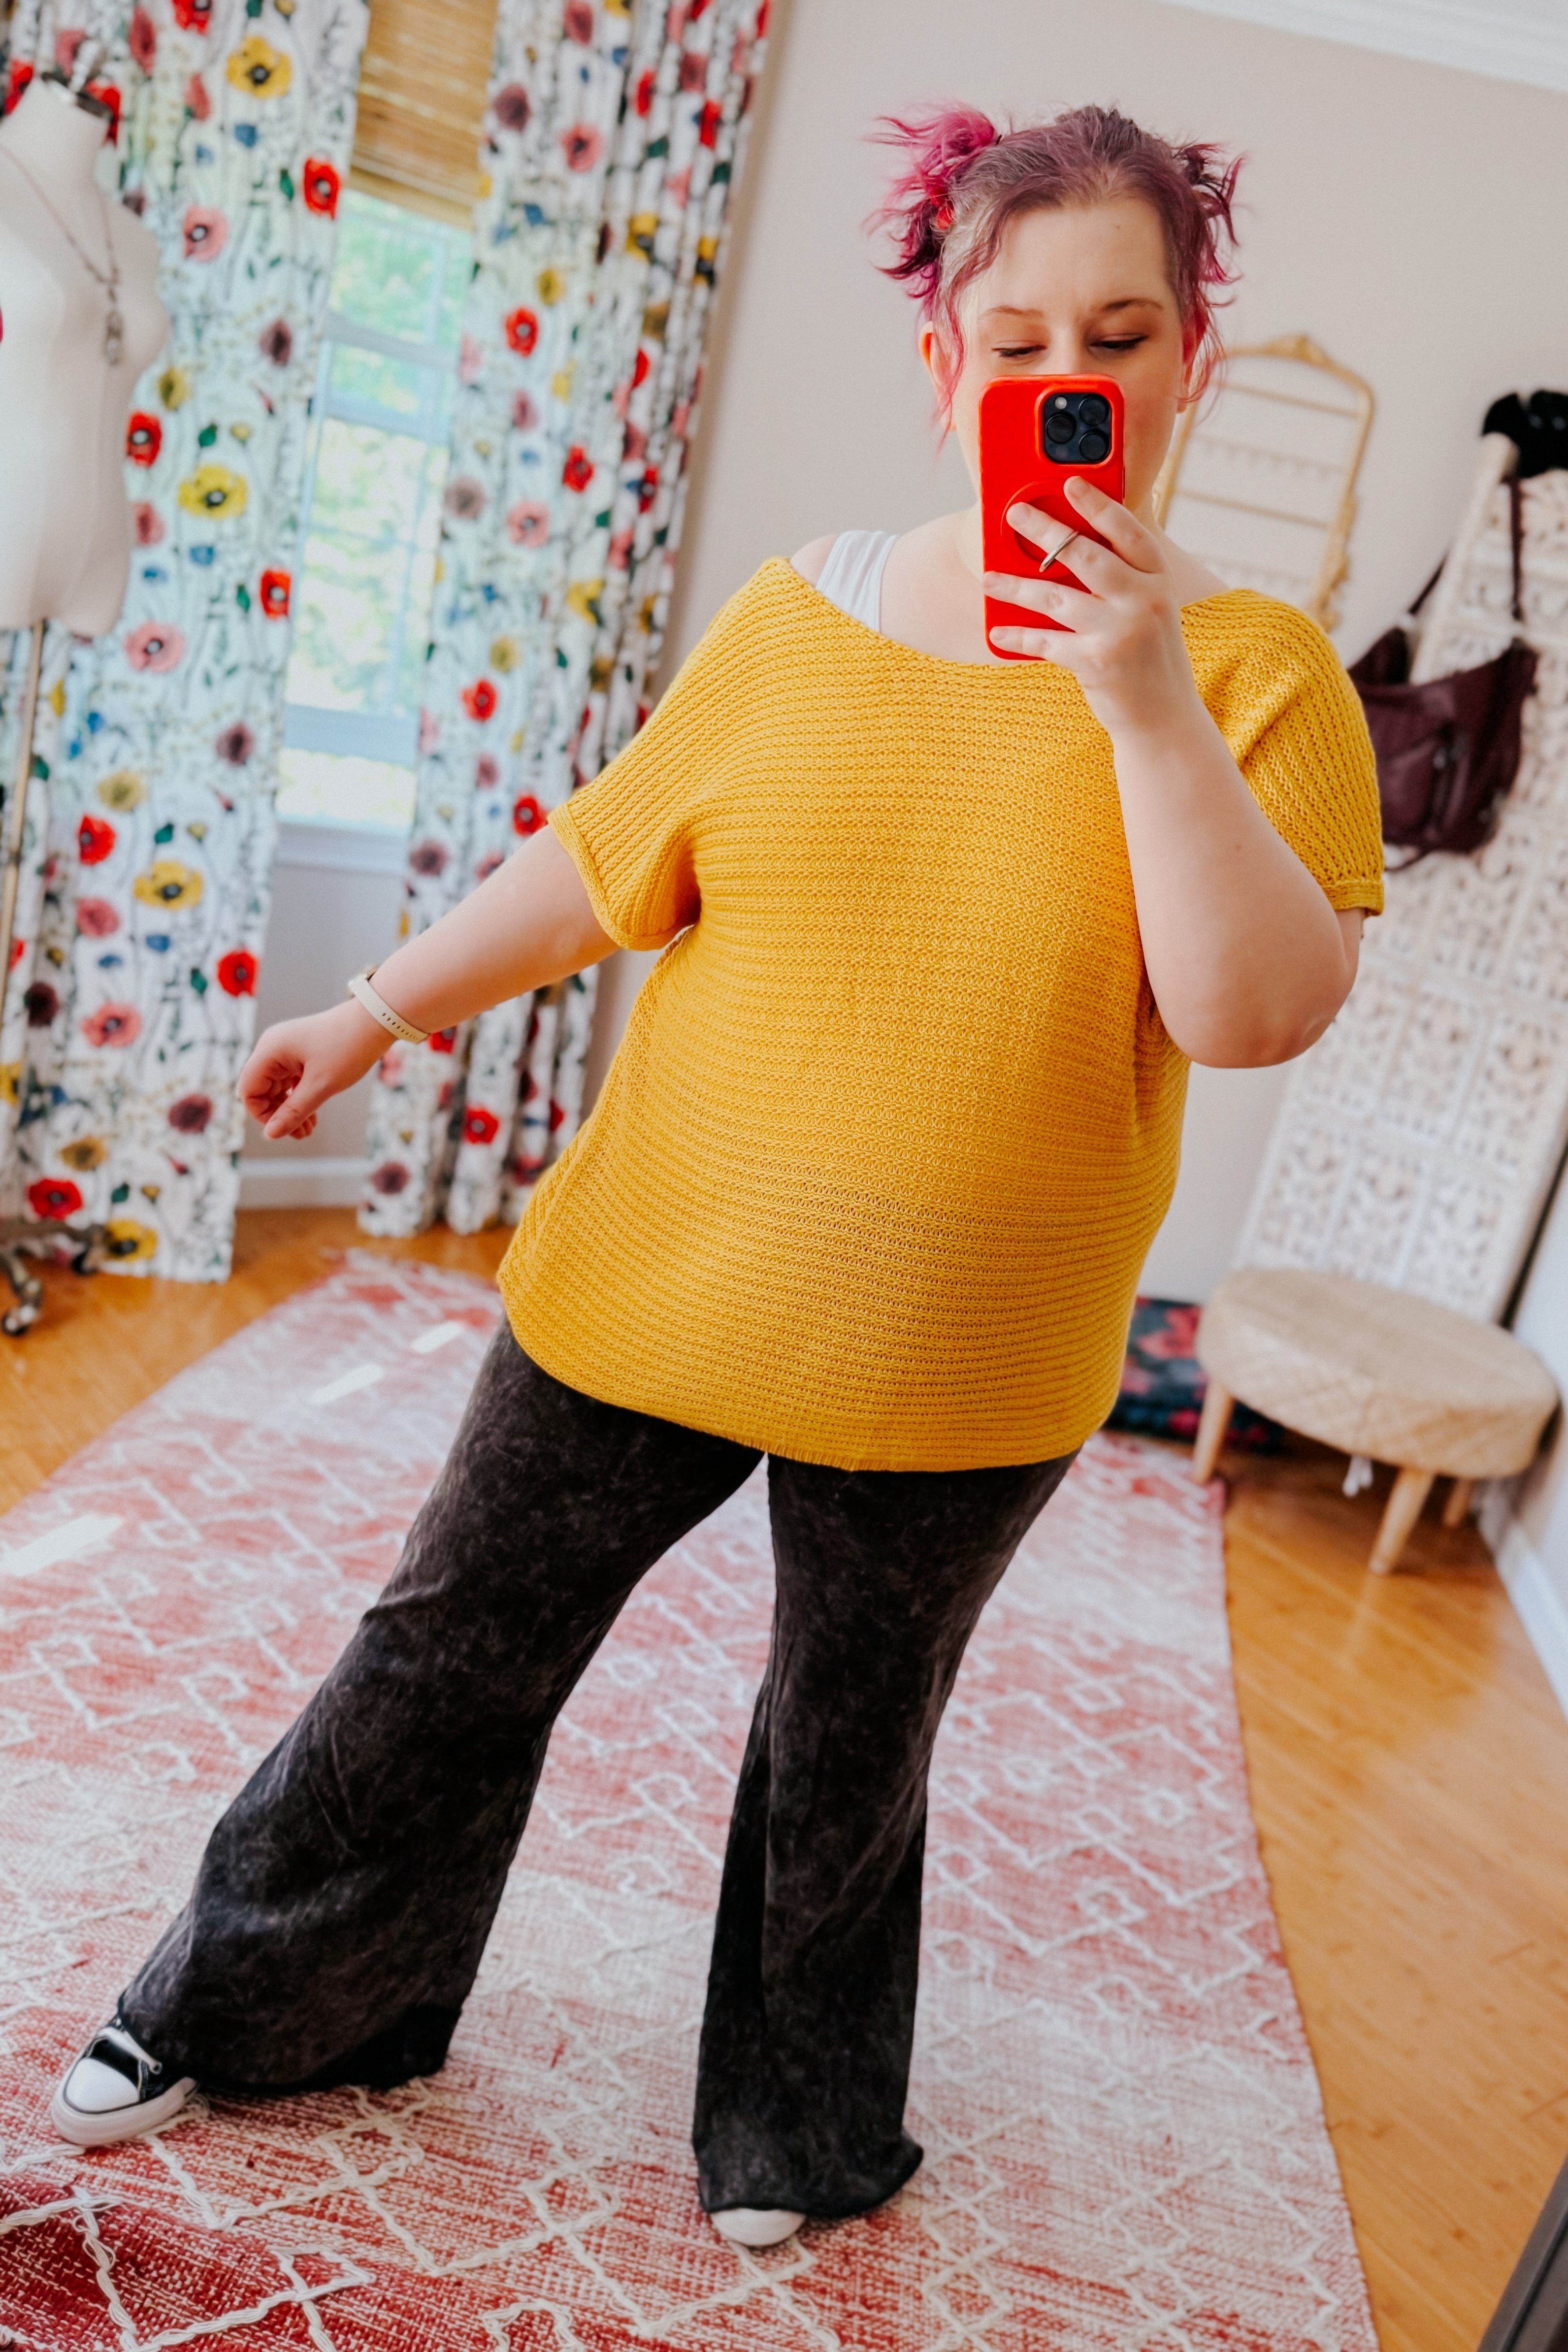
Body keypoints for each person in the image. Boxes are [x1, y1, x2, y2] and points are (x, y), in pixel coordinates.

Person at [49, 102, 1383, 2248]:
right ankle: (255, 1998)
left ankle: (796, 2134)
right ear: (948, 362)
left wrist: (1137, 702)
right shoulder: (802, 616)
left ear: (1190, 363)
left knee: (846, 1762)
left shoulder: (1254, 678)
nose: (1072, 378)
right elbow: (600, 863)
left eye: (1121, 336)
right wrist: (377, 1010)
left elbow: (1249, 1013)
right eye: (1019, 331)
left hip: (966, 1366)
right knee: (442, 1657)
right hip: (655, 1283)